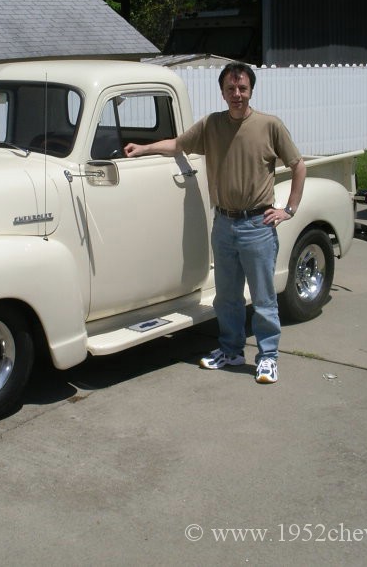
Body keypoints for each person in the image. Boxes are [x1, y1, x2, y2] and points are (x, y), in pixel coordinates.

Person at [124, 62, 305, 384]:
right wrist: (144, 148)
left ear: (251, 90)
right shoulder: (211, 125)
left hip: (257, 225)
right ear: (222, 92)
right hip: (223, 224)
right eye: (231, 89)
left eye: (242, 88)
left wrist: (288, 209)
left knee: (263, 299)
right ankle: (232, 350)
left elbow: (297, 164)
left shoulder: (269, 125)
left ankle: (268, 358)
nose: (237, 94)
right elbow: (178, 144)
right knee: (227, 297)